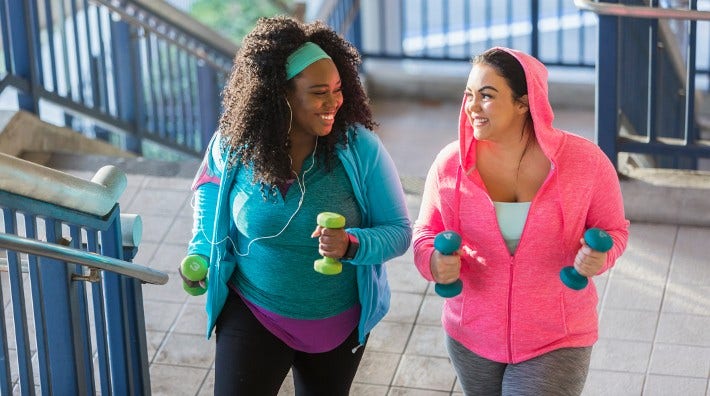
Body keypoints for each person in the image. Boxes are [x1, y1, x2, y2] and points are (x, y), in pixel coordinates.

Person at [183, 16, 412, 395]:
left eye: (339, 89)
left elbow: (400, 232)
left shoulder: (360, 148)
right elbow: (209, 187)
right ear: (281, 94)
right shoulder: (237, 143)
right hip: (254, 310)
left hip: (337, 323)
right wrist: (200, 252)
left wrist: (352, 244)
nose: (334, 102)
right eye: (320, 91)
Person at [412, 47, 629, 395]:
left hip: (557, 338)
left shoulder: (586, 163)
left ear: (523, 103)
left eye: (487, 95)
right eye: (469, 95)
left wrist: (601, 257)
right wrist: (433, 262)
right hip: (471, 335)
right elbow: (425, 233)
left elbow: (616, 230)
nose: (472, 106)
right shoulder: (449, 165)